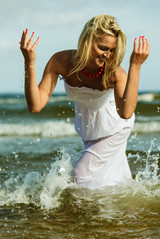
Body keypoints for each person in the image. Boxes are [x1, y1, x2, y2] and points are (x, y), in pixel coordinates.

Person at [20, 14, 150, 189]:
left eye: (112, 50)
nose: (108, 55)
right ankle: (112, 214)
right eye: (103, 48)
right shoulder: (61, 61)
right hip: (90, 130)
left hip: (114, 127)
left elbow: (126, 113)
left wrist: (135, 65)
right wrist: (30, 62)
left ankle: (78, 214)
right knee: (106, 183)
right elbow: (35, 105)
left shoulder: (115, 73)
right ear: (87, 41)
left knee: (80, 176)